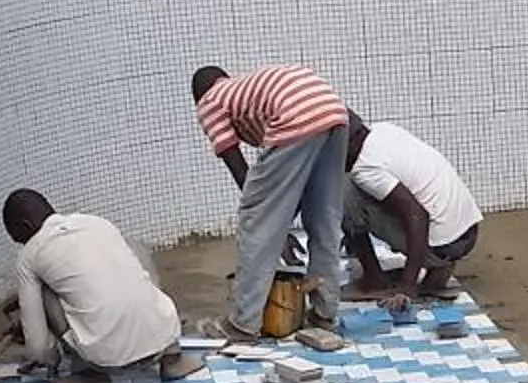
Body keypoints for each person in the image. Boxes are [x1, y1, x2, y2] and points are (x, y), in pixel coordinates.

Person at [190, 62, 349, 349]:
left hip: (295, 115)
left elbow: (237, 165)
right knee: (324, 218)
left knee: (256, 223)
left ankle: (243, 323)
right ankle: (325, 313)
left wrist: (268, 219)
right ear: (224, 77)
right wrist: (281, 217)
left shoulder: (209, 102)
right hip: (334, 111)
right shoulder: (242, 89)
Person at [2, 190, 192, 383]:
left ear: (26, 226)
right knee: (128, 265)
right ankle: (173, 359)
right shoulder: (97, 223)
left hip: (105, 358)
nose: (22, 244)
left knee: (42, 291)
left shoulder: (30, 255)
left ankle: (88, 374)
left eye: (18, 239)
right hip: (163, 337)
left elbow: (37, 345)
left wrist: (49, 359)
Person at [344, 113, 481, 300]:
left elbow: (417, 215)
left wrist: (406, 287)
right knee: (364, 192)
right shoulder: (383, 130)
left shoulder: (365, 169)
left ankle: (375, 280)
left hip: (442, 246)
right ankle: (437, 269)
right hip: (467, 234)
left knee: (343, 192)